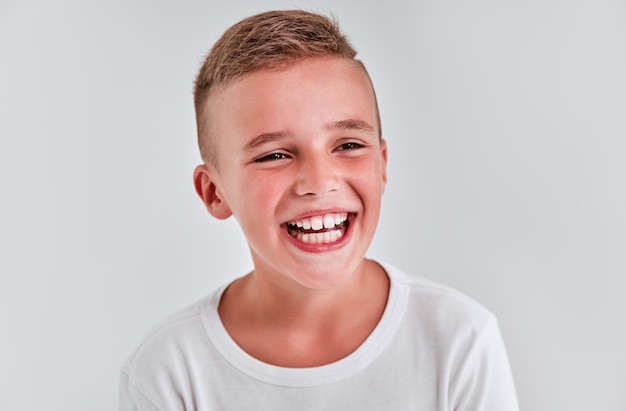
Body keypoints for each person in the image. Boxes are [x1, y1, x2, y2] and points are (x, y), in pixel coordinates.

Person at [119, 10, 519, 410]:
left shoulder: (459, 340)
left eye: (348, 145)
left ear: (382, 165)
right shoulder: (168, 370)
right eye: (274, 155)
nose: (319, 181)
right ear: (214, 193)